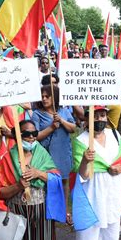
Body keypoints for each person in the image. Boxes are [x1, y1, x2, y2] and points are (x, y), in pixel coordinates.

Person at [72, 106, 121, 240]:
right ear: (87, 118)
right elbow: (83, 175)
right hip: (92, 196)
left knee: (111, 238)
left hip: (113, 195)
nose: (99, 119)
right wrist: (85, 161)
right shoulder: (81, 141)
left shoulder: (114, 134)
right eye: (95, 116)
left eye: (102, 115)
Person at [0, 120, 65, 240]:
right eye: (27, 133)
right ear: (17, 135)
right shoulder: (7, 159)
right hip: (16, 213)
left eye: (34, 133)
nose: (32, 137)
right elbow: (0, 193)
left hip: (42, 212)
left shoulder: (43, 154)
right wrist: (18, 186)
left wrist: (39, 173)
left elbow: (56, 179)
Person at [31, 85, 76, 221]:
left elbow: (73, 128)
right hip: (47, 154)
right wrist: (51, 127)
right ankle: (48, 210)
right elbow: (35, 136)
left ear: (54, 97)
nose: (44, 99)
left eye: (47, 96)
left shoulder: (64, 111)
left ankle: (64, 211)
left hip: (63, 151)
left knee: (63, 181)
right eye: (42, 96)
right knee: (47, 181)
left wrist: (61, 121)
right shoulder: (37, 114)